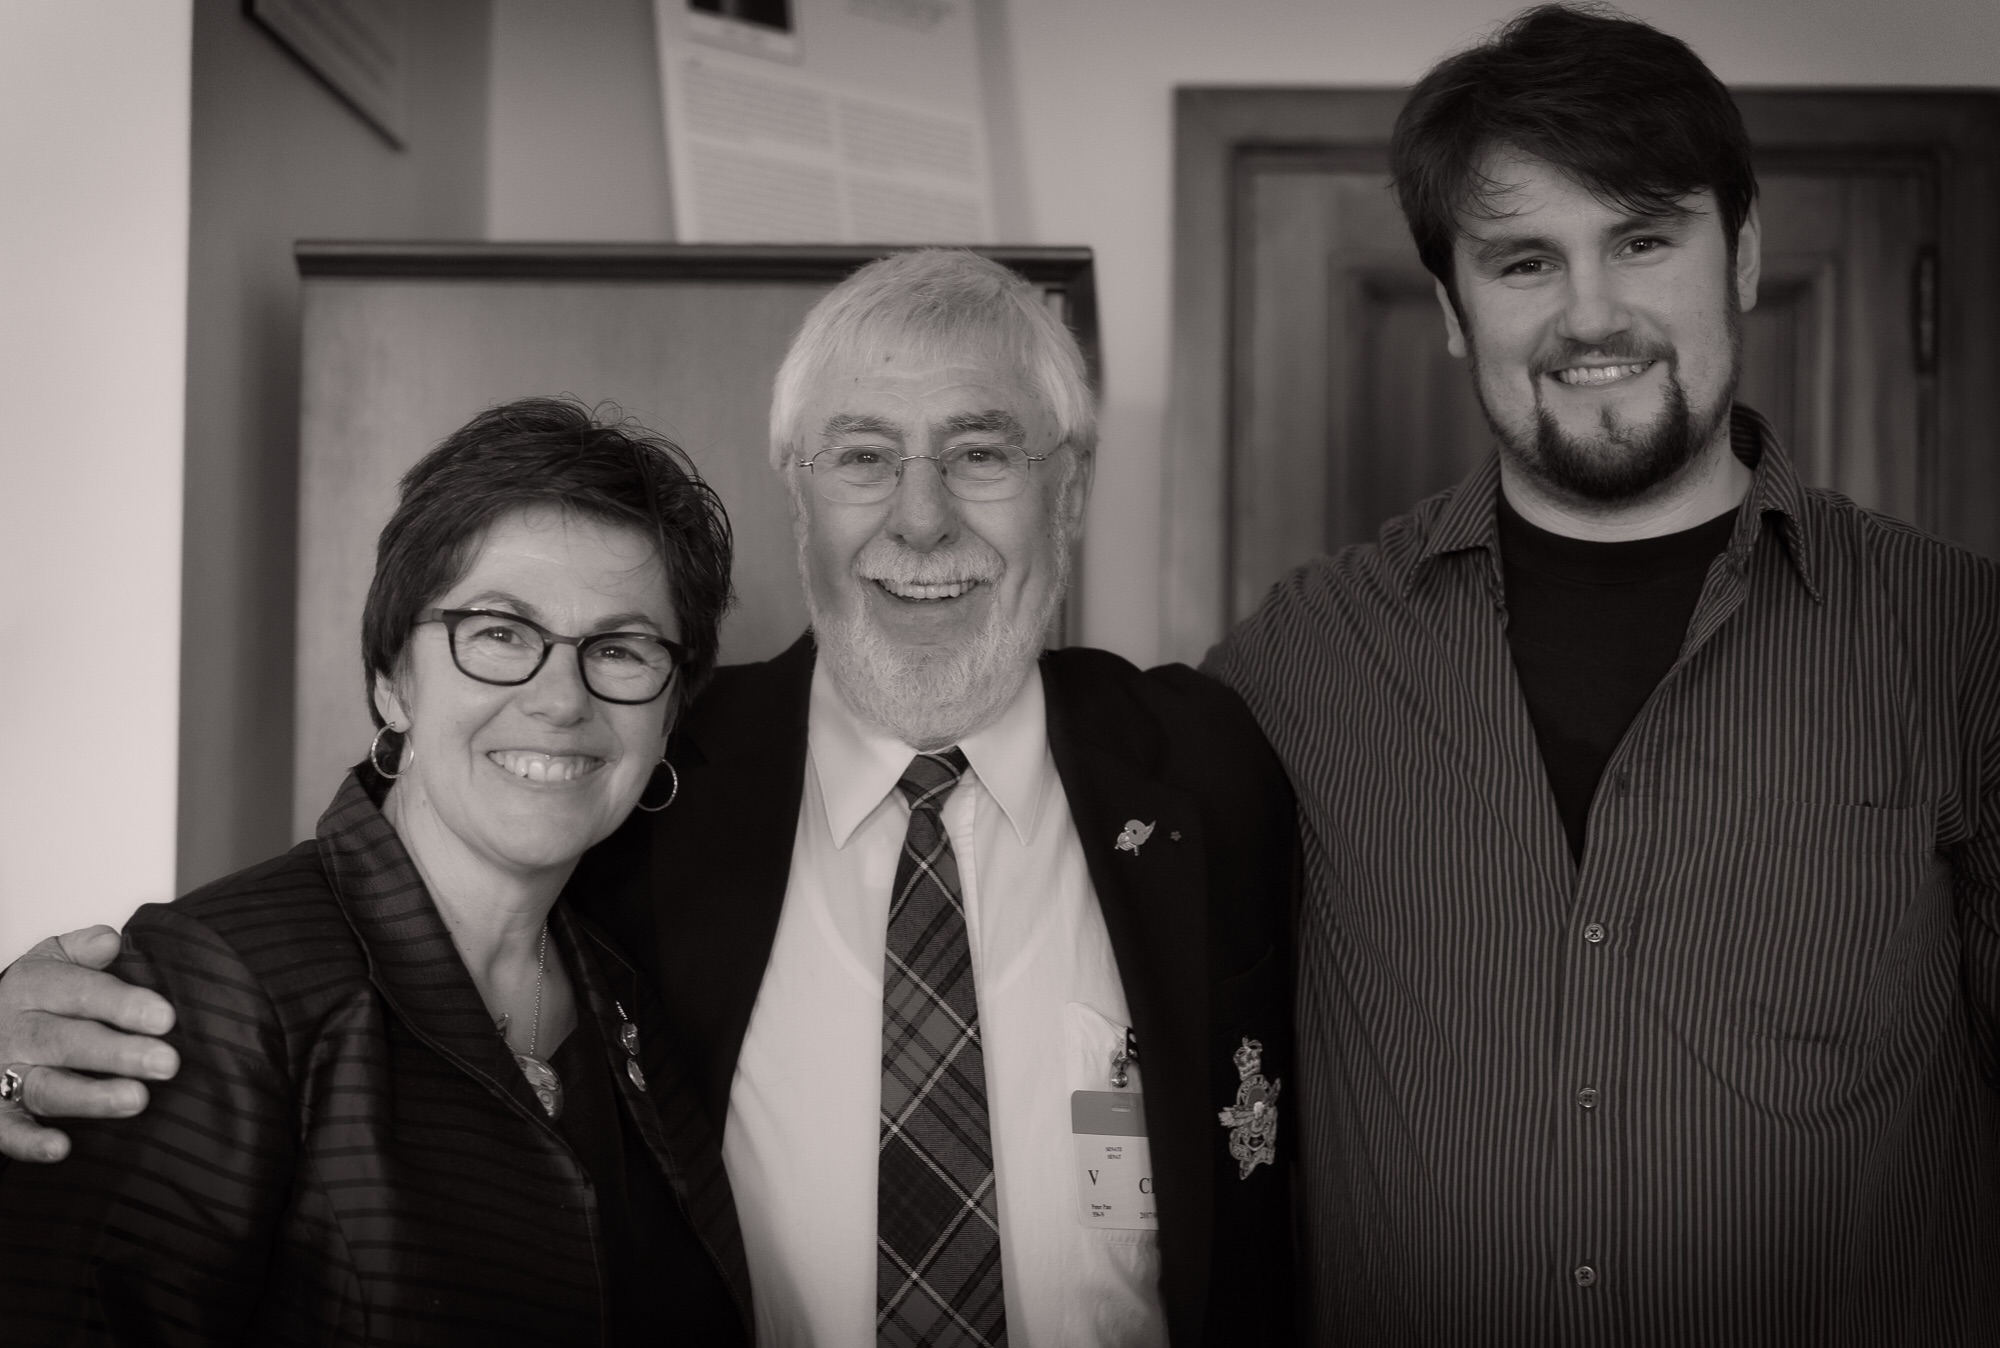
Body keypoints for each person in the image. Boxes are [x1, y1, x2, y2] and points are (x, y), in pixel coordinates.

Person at [0, 252, 1297, 1347]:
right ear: (391, 676)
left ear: (1067, 493)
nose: (921, 521)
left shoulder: (1206, 763)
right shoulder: (650, 810)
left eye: (982, 452)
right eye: (862, 454)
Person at [1202, 6, 2000, 1345]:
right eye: (1523, 261)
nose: (1592, 312)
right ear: (1453, 312)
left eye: (1642, 237)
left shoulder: (1961, 641)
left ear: (1740, 253)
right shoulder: (1300, 659)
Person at [0, 398, 752, 1345]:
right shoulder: (218, 989)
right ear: (392, 680)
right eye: (499, 633)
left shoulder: (631, 1004)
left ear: (670, 712)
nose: (562, 700)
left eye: (619, 648)